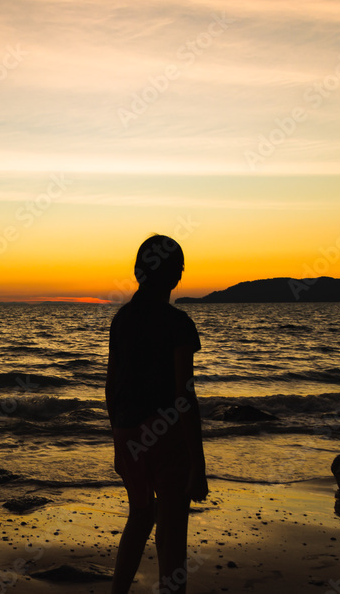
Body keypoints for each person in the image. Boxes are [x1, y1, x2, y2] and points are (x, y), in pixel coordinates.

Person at [106, 234, 208, 594]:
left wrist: (118, 437)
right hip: (165, 434)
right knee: (171, 533)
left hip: (127, 431)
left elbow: (111, 386)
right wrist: (198, 462)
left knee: (140, 515)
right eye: (179, 268)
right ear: (176, 276)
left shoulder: (121, 321)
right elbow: (184, 395)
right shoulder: (178, 324)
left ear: (138, 272)